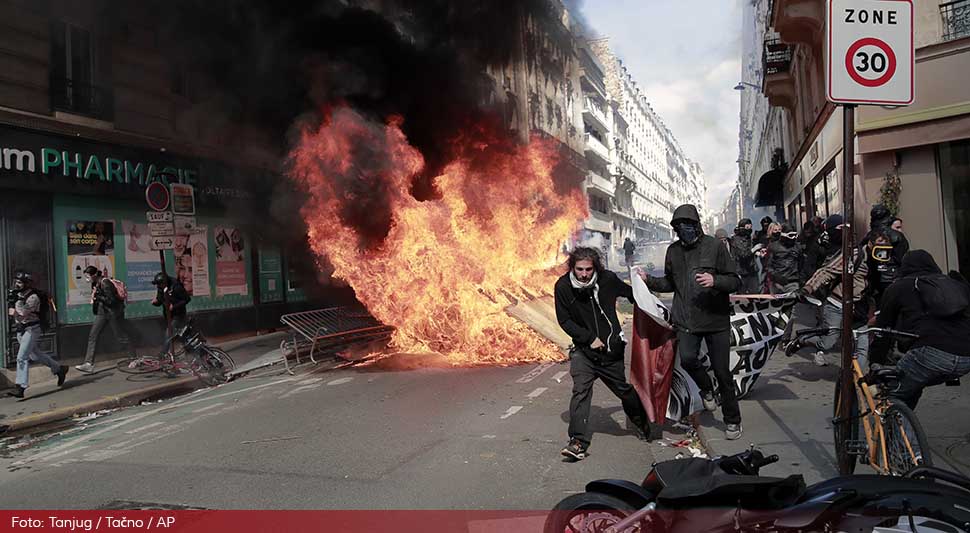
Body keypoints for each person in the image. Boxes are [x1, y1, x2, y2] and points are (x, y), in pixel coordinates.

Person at [643, 204, 743, 440]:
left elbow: (735, 281)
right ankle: (707, 390)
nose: (683, 229)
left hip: (716, 319)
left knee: (722, 372)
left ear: (696, 225)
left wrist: (715, 280)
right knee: (688, 359)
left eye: (687, 224)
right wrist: (648, 280)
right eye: (679, 226)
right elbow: (670, 283)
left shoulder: (715, 246)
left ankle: (732, 420)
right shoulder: (673, 251)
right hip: (686, 320)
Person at [554, 247, 650, 461]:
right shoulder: (563, 286)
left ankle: (642, 422)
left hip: (610, 350)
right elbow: (564, 320)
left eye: (588, 269)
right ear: (573, 268)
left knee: (624, 392)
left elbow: (631, 295)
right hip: (584, 351)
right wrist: (588, 338)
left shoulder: (607, 279)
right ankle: (577, 442)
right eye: (579, 269)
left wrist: (644, 286)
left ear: (595, 267)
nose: (584, 274)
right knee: (580, 392)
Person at [870, 250, 970, 409]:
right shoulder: (954, 284)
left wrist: (875, 363)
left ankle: (903, 431)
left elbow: (883, 331)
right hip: (966, 356)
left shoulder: (899, 287)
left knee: (892, 394)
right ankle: (906, 422)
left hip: (929, 353)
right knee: (913, 383)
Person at [787, 215, 870, 367]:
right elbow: (825, 271)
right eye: (840, 229)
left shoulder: (867, 254)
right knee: (828, 341)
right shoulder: (848, 253)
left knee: (862, 346)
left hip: (858, 307)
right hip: (836, 302)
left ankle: (856, 381)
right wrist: (808, 288)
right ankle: (803, 340)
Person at [6, 271, 68, 398]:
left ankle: (21, 387)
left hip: (31, 329)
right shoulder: (18, 294)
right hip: (21, 329)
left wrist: (14, 303)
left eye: (19, 282)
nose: (16, 285)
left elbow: (22, 312)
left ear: (26, 284)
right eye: (16, 282)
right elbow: (12, 313)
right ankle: (59, 369)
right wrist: (14, 299)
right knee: (35, 356)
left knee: (21, 357)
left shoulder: (33, 297)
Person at [76, 266, 136, 374]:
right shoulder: (95, 283)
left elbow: (111, 301)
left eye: (88, 275)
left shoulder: (105, 283)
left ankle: (134, 358)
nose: (87, 278)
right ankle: (88, 363)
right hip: (102, 313)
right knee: (93, 335)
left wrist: (98, 297)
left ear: (94, 275)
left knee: (120, 336)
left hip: (112, 313)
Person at [862, 205, 909, 306]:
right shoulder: (897, 236)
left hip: (874, 279)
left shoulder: (869, 236)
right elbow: (903, 257)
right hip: (893, 277)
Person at [151, 272, 191, 354]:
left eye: (160, 284)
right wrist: (156, 302)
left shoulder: (176, 286)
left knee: (169, 333)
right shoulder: (161, 287)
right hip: (168, 315)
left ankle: (163, 354)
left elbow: (187, 299)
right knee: (181, 335)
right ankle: (190, 349)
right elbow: (160, 300)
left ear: (165, 282)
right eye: (158, 285)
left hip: (178, 315)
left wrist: (174, 306)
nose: (158, 286)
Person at [766, 224, 803, 294]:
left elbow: (801, 264)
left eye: (795, 235)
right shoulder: (773, 247)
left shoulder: (797, 247)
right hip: (777, 283)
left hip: (792, 282)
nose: (793, 238)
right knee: (777, 304)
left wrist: (800, 278)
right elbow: (768, 266)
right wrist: (776, 276)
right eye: (791, 235)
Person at [729, 219, 759, 294]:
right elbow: (743, 254)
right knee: (742, 294)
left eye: (750, 227)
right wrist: (754, 249)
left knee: (755, 292)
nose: (749, 229)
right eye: (747, 227)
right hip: (742, 271)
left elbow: (751, 253)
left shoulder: (750, 238)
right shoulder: (735, 240)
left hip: (752, 269)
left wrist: (758, 253)